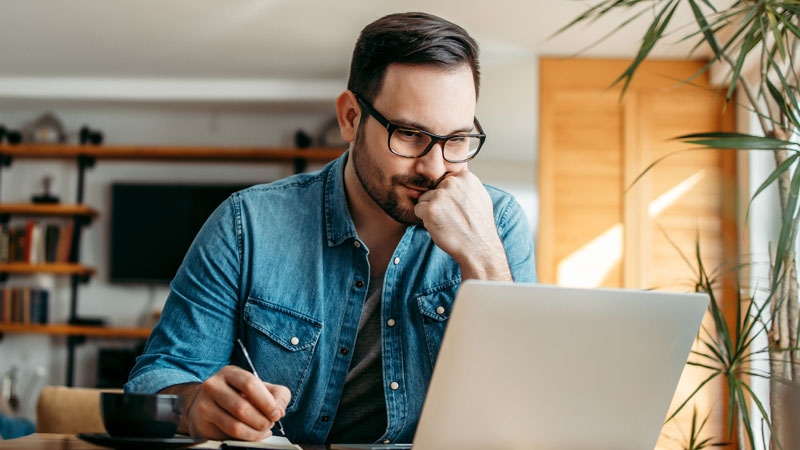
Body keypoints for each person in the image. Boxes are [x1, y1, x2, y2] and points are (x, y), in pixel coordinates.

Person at [125, 11, 536, 445]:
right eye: (411, 134)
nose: (435, 168)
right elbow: (155, 379)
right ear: (351, 118)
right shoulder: (247, 225)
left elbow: (524, 407)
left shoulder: (499, 223)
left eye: (456, 140)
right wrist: (194, 406)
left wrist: (484, 258)